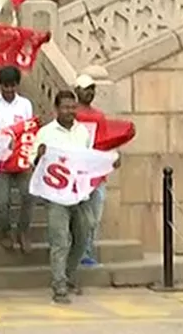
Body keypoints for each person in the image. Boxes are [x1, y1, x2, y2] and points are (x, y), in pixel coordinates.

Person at [30, 90, 94, 304]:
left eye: (73, 107)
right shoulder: (45, 133)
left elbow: (89, 159)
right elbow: (33, 162)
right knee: (59, 241)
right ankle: (59, 285)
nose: (70, 111)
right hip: (55, 196)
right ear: (56, 109)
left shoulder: (83, 132)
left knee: (83, 235)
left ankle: (68, 274)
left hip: (79, 194)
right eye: (65, 107)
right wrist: (39, 156)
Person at [0, 67, 34, 253]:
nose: (9, 90)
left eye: (12, 86)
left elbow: (29, 130)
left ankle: (23, 231)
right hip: (0, 162)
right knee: (2, 201)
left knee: (28, 195)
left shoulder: (26, 105)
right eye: (5, 87)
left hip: (21, 160)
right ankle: (4, 231)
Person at [73, 74, 108, 267]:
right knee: (80, 217)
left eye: (92, 89)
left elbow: (104, 143)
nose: (89, 93)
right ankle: (77, 252)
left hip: (96, 174)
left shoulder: (99, 116)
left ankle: (87, 251)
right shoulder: (72, 115)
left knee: (95, 217)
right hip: (76, 174)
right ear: (77, 91)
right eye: (86, 89)